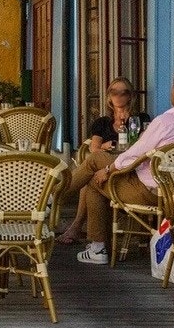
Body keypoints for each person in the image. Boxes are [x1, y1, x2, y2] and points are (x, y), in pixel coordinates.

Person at [75, 66, 174, 265]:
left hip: (154, 192)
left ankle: (95, 244)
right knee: (96, 165)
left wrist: (108, 170)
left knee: (94, 179)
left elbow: (135, 153)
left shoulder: (164, 122)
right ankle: (60, 199)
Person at [57, 77, 150, 245]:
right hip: (108, 169)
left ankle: (56, 196)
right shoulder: (102, 122)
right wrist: (104, 148)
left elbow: (141, 147)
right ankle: (91, 237)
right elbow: (94, 148)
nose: (119, 96)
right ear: (109, 96)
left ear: (131, 96)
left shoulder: (140, 119)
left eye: (124, 92)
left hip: (130, 170)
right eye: (114, 92)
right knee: (92, 171)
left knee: (91, 169)